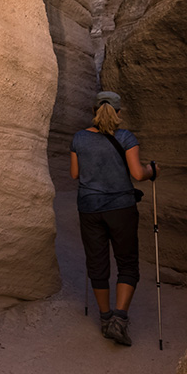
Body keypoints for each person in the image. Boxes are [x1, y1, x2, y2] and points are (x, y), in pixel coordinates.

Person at [70, 90, 157, 346]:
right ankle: (119, 319)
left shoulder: (78, 138)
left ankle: (105, 318)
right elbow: (138, 174)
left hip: (89, 209)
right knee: (127, 262)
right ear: (118, 112)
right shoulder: (126, 137)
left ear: (94, 111)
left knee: (97, 262)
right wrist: (154, 170)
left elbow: (75, 174)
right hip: (121, 208)